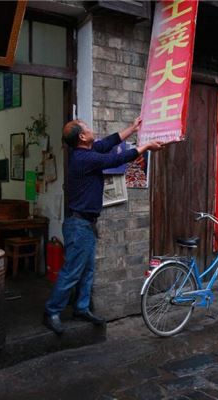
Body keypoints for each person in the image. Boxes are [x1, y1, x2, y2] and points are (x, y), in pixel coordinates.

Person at [43, 117, 163, 335]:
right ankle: (52, 311)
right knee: (72, 271)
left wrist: (133, 128)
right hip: (78, 225)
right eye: (87, 128)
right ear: (81, 136)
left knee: (88, 270)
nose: (91, 130)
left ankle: (81, 308)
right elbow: (114, 159)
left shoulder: (86, 151)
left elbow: (108, 143)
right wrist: (144, 146)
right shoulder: (83, 158)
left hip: (85, 224)